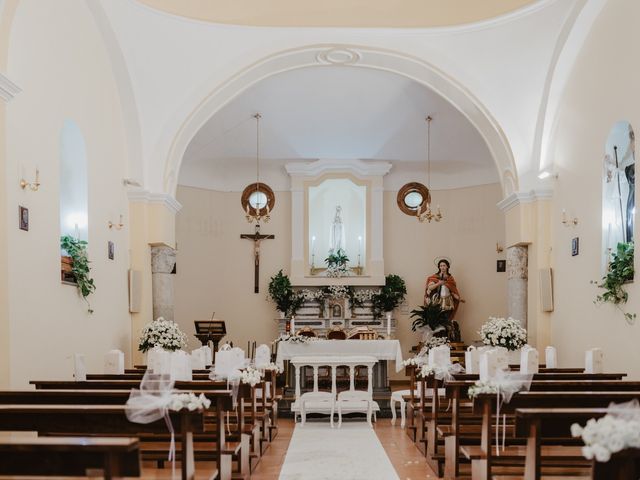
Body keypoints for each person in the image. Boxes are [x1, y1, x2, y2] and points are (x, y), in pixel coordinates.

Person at [424, 259, 463, 341]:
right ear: (439, 267)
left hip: (448, 302)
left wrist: (459, 298)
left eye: (444, 265)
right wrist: (439, 283)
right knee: (438, 320)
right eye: (441, 266)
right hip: (438, 301)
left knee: (447, 320)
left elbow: (453, 291)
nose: (442, 267)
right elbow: (429, 287)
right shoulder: (434, 277)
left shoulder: (450, 278)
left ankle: (447, 338)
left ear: (447, 266)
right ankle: (438, 338)